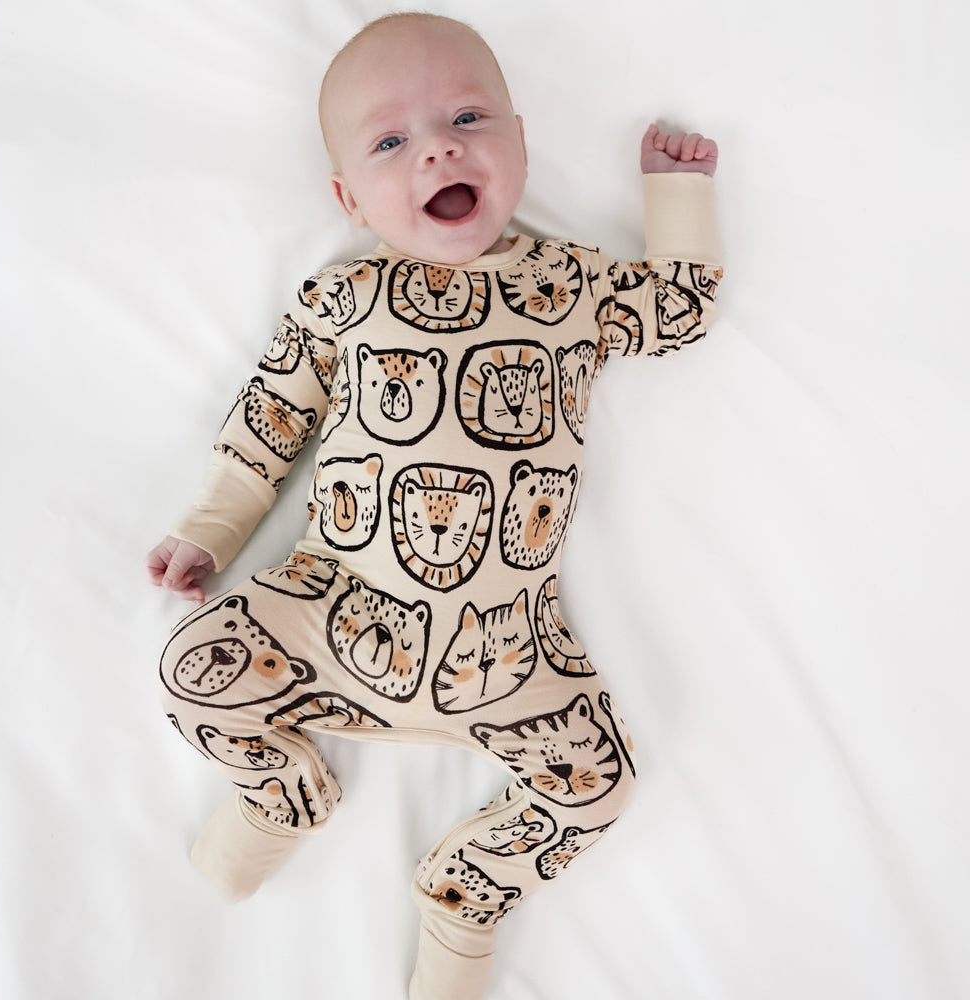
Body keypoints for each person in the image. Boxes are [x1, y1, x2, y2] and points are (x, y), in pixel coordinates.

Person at [147, 12, 722, 999]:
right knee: (188, 670)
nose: (440, 147)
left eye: (467, 117)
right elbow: (265, 429)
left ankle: (465, 900)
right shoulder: (341, 297)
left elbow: (675, 308)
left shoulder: (570, 283)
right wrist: (206, 533)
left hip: (503, 646)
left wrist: (675, 191)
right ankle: (280, 796)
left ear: (520, 140)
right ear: (348, 197)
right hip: (336, 609)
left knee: (601, 784)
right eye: (390, 142)